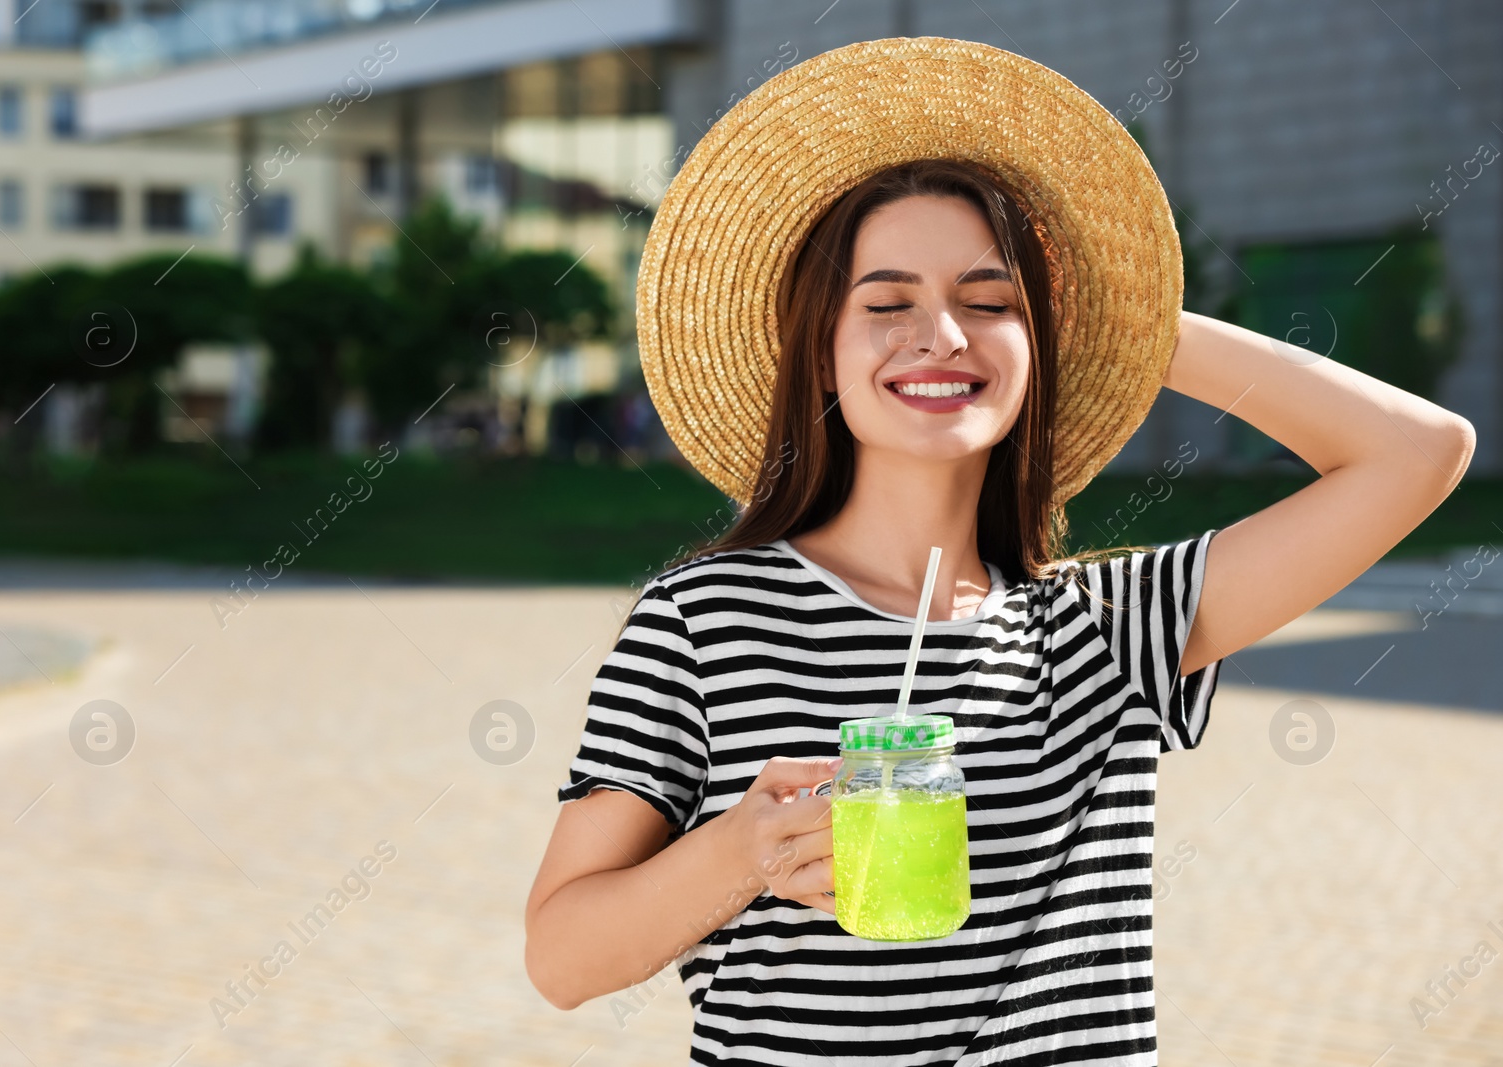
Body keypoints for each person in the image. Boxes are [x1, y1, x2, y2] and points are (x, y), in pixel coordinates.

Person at [524, 38, 1474, 1066]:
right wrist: (743, 848)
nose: (940, 333)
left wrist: (1125, 321)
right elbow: (561, 959)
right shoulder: (700, 621)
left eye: (989, 302)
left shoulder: (1113, 625)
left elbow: (1417, 452)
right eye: (886, 303)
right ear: (820, 349)